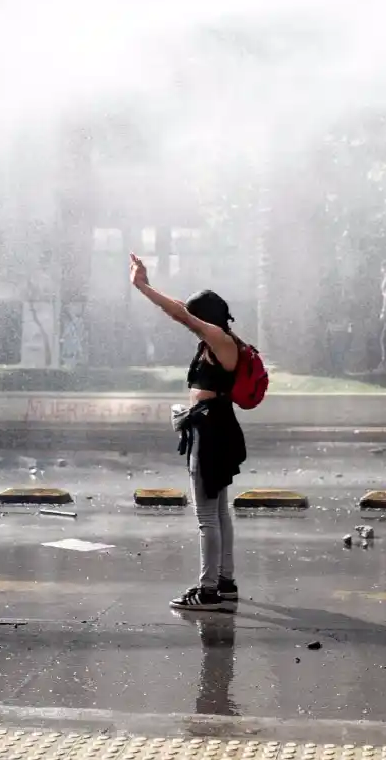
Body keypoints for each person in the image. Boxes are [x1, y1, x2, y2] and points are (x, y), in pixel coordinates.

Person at [129, 253, 245, 613]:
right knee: (219, 510)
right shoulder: (217, 338)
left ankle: (208, 590)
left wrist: (142, 287)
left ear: (204, 319)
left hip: (212, 430)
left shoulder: (220, 340)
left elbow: (181, 313)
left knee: (207, 516)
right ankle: (224, 582)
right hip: (214, 424)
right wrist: (149, 286)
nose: (189, 321)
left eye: (196, 317)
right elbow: (181, 309)